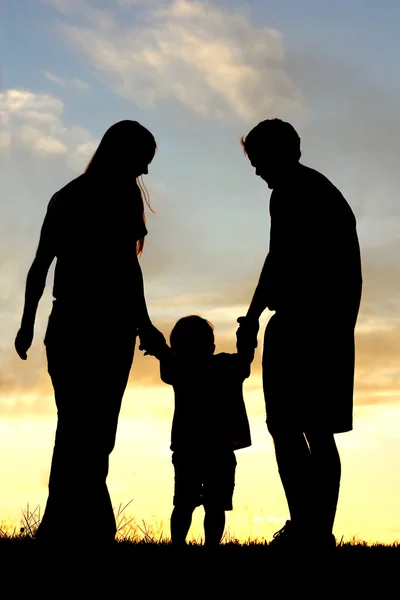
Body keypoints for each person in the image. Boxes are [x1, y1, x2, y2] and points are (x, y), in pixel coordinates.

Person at [14, 120, 165, 544]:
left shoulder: (71, 196)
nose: (147, 173)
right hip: (95, 328)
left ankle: (66, 526)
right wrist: (144, 323)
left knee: (82, 430)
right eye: (143, 161)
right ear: (123, 152)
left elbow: (44, 265)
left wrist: (29, 323)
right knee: (90, 432)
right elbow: (122, 268)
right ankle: (87, 528)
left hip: (79, 327)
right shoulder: (106, 196)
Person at [237, 118, 362, 551]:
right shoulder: (317, 190)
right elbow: (282, 258)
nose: (255, 171)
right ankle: (313, 528)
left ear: (279, 153)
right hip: (327, 326)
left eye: (257, 161)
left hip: (304, 325)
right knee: (313, 430)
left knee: (290, 428)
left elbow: (280, 260)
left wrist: (253, 317)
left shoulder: (292, 192)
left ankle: (308, 527)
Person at [147, 315, 255, 549]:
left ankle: (178, 546)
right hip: (221, 449)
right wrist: (246, 334)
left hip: (188, 448)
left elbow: (164, 357)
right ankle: (211, 548)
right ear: (212, 346)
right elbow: (246, 358)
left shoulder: (179, 368)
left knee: (184, 503)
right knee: (215, 504)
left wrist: (158, 348)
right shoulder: (227, 366)